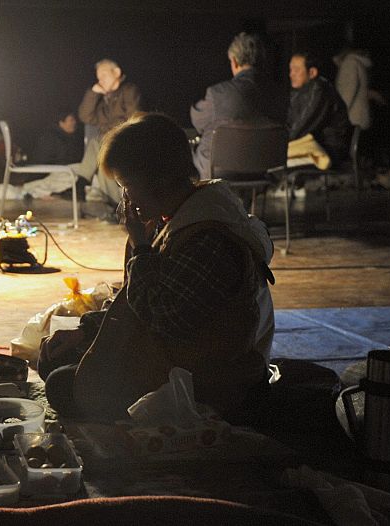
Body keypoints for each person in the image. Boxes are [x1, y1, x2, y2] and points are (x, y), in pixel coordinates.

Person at [37, 113, 275, 422]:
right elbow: (137, 306)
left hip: (209, 377)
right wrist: (85, 332)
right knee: (56, 359)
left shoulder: (208, 237)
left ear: (158, 178)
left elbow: (162, 318)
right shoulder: (175, 216)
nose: (126, 200)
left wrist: (141, 250)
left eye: (128, 186)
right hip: (170, 352)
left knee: (62, 384)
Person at [190, 32, 288, 179]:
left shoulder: (217, 94)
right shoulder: (279, 94)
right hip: (264, 173)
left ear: (234, 62)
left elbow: (198, 122)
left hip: (219, 173)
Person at [76, 59, 142, 214]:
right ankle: (119, 207)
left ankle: (81, 182)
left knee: (98, 146)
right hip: (108, 146)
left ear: (117, 73)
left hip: (127, 141)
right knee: (102, 160)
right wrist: (92, 93)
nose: (100, 80)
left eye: (104, 75)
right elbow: (85, 116)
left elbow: (134, 118)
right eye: (98, 77)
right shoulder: (103, 100)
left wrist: (111, 134)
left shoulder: (129, 91)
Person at [288, 51, 352, 163]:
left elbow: (302, 126)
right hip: (313, 145)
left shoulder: (320, 90)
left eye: (297, 70)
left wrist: (277, 143)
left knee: (275, 160)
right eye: (291, 69)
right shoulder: (300, 91)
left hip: (330, 149)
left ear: (312, 72)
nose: (291, 74)